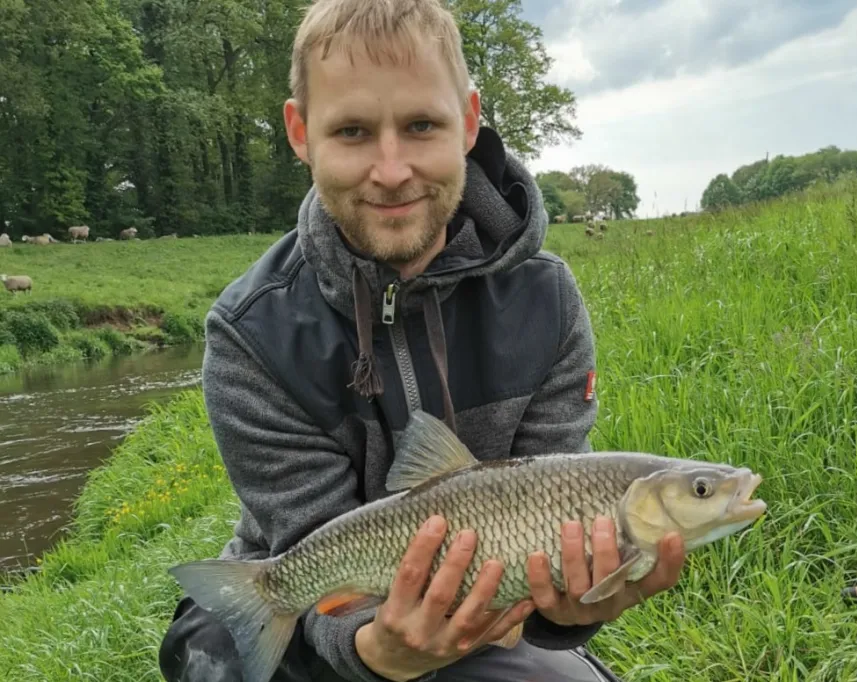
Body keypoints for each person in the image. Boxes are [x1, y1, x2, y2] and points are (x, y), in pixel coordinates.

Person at [157, 0, 686, 680]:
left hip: (486, 615)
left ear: (468, 121)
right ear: (300, 133)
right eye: (351, 131)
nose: (391, 169)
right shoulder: (250, 332)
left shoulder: (545, 299)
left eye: (420, 125)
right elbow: (307, 542)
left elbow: (560, 519)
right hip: (308, 598)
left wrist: (579, 605)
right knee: (209, 658)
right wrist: (381, 653)